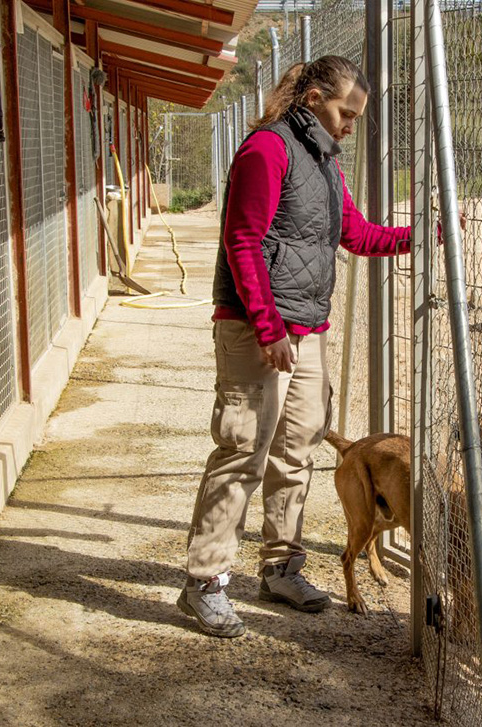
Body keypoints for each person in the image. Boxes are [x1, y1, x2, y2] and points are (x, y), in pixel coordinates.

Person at [177, 56, 413, 638]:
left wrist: (422, 239)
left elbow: (354, 234)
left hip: (307, 329)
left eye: (356, 116)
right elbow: (242, 239)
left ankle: (280, 566)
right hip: (258, 329)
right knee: (243, 451)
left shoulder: (325, 160)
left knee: (298, 449)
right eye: (345, 113)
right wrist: (267, 326)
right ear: (312, 99)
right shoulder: (267, 149)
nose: (351, 126)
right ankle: (204, 582)